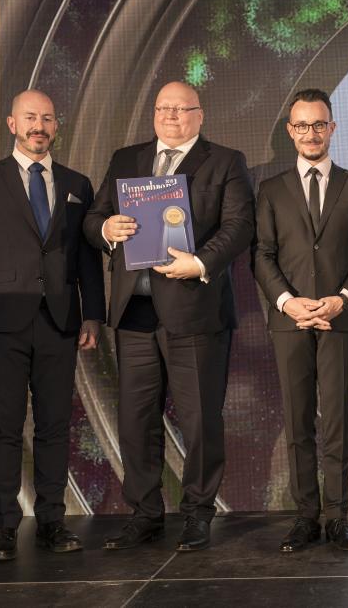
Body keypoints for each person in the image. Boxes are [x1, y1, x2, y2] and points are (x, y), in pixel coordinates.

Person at [84, 81, 254, 552]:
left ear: (200, 115)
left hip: (195, 311)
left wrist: (199, 262)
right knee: (136, 421)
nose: (171, 116)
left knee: (200, 421)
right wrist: (106, 227)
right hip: (134, 313)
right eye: (163, 108)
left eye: (181, 109)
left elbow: (240, 225)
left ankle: (197, 513)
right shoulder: (126, 160)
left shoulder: (225, 161)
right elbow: (93, 219)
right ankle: (145, 514)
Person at [0, 90, 105, 562]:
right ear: (12, 124)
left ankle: (53, 521)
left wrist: (93, 313)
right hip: (0, 323)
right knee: (5, 427)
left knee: (56, 425)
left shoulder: (77, 183)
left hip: (60, 321)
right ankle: (3, 526)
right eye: (30, 117)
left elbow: (87, 258)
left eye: (48, 118)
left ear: (57, 126)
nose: (40, 126)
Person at [254, 88, 348, 552]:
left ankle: (337, 518)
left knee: (336, 422)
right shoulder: (270, 190)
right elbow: (262, 255)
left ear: (332, 128)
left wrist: (340, 300)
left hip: (339, 321)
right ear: (291, 131)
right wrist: (288, 302)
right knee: (298, 421)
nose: (311, 133)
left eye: (319, 124)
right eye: (303, 125)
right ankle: (305, 517)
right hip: (290, 321)